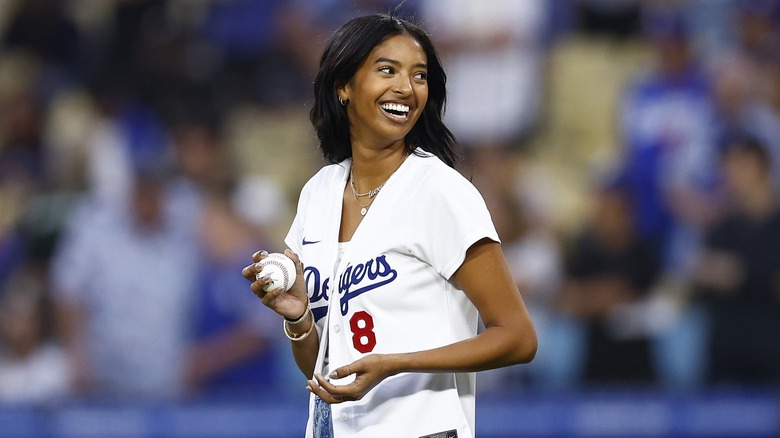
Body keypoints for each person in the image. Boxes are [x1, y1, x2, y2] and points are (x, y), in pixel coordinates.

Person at [242, 14, 537, 438]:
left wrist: (396, 363)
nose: (406, 87)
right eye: (387, 70)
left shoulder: (439, 191)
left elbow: (519, 337)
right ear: (343, 86)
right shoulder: (319, 193)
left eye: (419, 75)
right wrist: (301, 320)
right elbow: (322, 368)